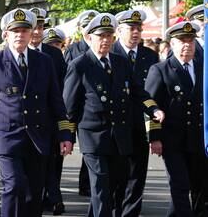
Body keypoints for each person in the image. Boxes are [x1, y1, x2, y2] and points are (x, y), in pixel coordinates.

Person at [0, 8, 73, 217]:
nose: (20, 34)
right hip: (7, 137)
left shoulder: (44, 61)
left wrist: (65, 134)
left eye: (25, 30)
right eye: (15, 30)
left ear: (31, 33)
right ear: (6, 34)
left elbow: (56, 101)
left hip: (38, 136)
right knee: (14, 185)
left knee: (34, 193)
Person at [63, 13, 165, 217]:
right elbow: (69, 107)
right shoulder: (80, 65)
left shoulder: (120, 62)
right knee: (101, 188)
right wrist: (66, 137)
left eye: (109, 36)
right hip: (94, 138)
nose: (106, 40)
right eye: (101, 36)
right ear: (89, 37)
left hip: (119, 136)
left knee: (113, 188)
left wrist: (153, 109)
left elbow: (137, 91)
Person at [145, 21, 206, 217]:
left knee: (200, 187)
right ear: (172, 43)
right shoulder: (161, 69)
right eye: (182, 41)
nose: (187, 45)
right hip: (173, 139)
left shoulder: (202, 68)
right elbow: (150, 105)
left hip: (198, 138)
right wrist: (154, 137)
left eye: (190, 40)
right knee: (180, 185)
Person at [111, 10, 159, 217]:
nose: (136, 32)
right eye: (131, 28)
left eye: (139, 28)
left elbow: (155, 94)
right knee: (116, 178)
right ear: (119, 30)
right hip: (114, 126)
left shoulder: (150, 55)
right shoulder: (109, 53)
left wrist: (155, 132)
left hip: (139, 124)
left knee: (137, 177)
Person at [28, 7, 68, 215]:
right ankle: (44, 196)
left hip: (50, 118)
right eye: (33, 27)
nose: (36, 32)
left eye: (41, 27)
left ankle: (52, 196)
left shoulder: (54, 54)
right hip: (28, 121)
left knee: (53, 158)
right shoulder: (19, 53)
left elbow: (61, 88)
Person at [64, 10, 100, 197]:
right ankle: (85, 184)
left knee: (93, 150)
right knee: (87, 149)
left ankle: (87, 184)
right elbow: (69, 81)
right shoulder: (73, 50)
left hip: (94, 109)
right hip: (78, 106)